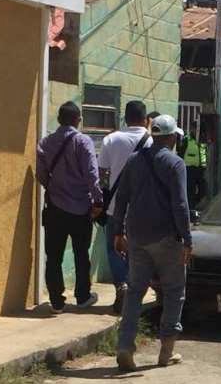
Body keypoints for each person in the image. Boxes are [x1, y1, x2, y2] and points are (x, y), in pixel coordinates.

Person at [113, 115, 192, 372]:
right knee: (173, 291)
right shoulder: (175, 163)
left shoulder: (135, 160)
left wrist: (118, 233)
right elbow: (180, 205)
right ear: (171, 138)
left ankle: (125, 347)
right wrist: (187, 239)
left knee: (135, 291)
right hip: (166, 237)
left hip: (136, 236)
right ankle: (166, 351)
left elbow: (121, 199)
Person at [36, 101, 102, 314]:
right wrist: (98, 200)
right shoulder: (83, 141)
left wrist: (53, 188)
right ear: (77, 119)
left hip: (55, 207)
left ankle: (56, 300)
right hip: (81, 207)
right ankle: (82, 296)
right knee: (81, 253)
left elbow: (41, 174)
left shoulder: (45, 142)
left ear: (58, 120)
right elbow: (92, 174)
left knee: (53, 255)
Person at [98, 101, 152, 314]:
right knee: (136, 251)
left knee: (113, 248)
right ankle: (131, 289)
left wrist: (102, 198)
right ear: (146, 119)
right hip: (142, 210)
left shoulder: (111, 139)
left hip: (114, 208)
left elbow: (102, 174)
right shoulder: (151, 141)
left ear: (125, 118)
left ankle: (121, 284)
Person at [178, 120, 208, 210]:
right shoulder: (187, 139)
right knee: (190, 190)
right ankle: (191, 208)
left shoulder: (202, 140)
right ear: (192, 129)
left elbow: (203, 154)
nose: (196, 131)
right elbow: (181, 153)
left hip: (199, 169)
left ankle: (195, 203)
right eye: (195, 129)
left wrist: (204, 166)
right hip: (188, 169)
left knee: (203, 190)